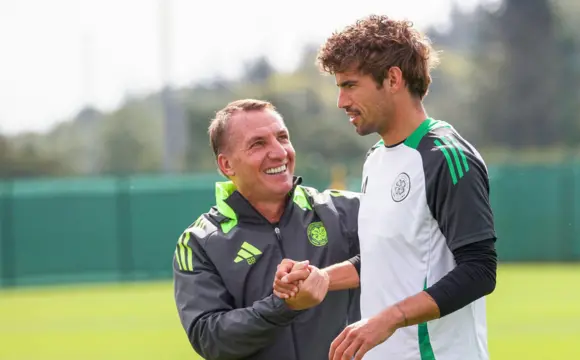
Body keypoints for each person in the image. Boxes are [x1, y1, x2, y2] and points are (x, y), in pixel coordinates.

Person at [274, 15, 498, 360]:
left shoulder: (446, 158)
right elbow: (389, 259)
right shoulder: (376, 158)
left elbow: (479, 271)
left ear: (393, 78)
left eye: (350, 85)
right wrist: (321, 278)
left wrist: (390, 319)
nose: (341, 102)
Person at [172, 99, 362, 360]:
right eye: (258, 144)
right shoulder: (200, 242)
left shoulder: (343, 211)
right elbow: (210, 338)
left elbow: (406, 253)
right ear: (227, 165)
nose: (279, 152)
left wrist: (326, 278)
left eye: (282, 138)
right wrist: (283, 304)